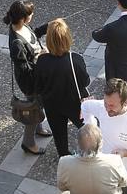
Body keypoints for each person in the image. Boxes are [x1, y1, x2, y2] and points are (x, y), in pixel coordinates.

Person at [33, 18, 91, 156]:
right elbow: (85, 81)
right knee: (88, 129)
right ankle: (91, 152)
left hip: (52, 104)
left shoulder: (42, 60)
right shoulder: (75, 59)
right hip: (74, 103)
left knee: (59, 135)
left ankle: (64, 157)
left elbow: (38, 85)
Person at [7, 0, 49, 156]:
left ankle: (38, 129)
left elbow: (34, 35)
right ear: (23, 18)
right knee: (33, 109)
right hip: (31, 82)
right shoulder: (16, 43)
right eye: (31, 13)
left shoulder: (21, 26)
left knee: (38, 106)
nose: (33, 15)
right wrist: (42, 58)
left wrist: (46, 27)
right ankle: (28, 143)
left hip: (36, 76)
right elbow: (25, 69)